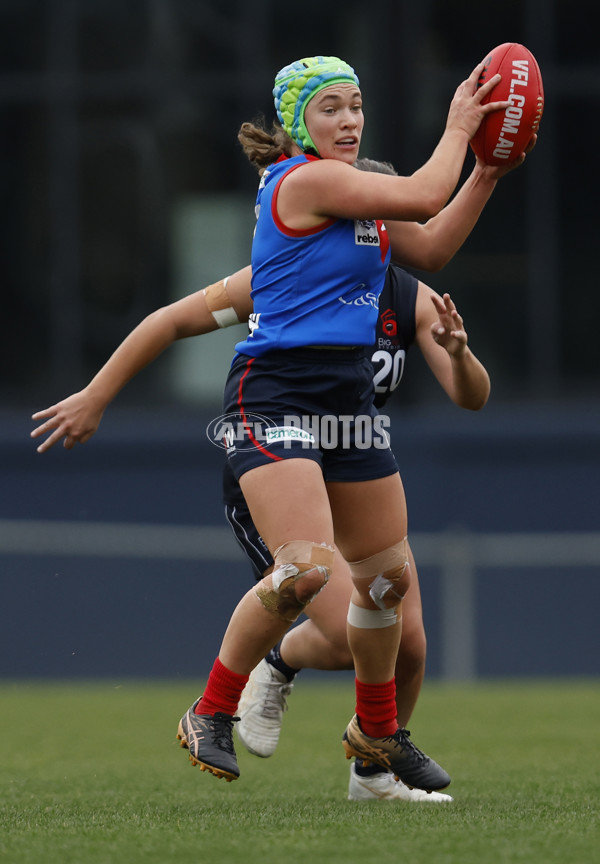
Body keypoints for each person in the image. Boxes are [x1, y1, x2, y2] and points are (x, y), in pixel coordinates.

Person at [170, 53, 512, 791]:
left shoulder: (363, 224)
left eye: (356, 104)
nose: (349, 119)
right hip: (277, 394)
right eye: (330, 107)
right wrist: (460, 126)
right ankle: (211, 709)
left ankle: (377, 736)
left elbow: (434, 244)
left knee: (386, 581)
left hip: (344, 403)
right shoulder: (304, 178)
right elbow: (422, 194)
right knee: (306, 572)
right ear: (299, 122)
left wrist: (487, 172)